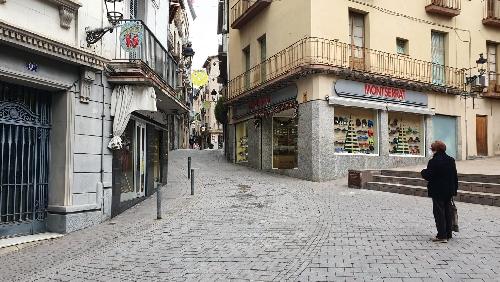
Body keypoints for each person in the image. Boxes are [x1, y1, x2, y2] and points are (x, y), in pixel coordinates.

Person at [421, 140, 458, 243]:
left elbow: (428, 175)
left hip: (437, 191)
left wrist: (422, 172)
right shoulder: (451, 160)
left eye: (432, 149)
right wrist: (454, 190)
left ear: (435, 150)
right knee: (447, 212)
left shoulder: (433, 161)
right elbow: (455, 176)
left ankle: (442, 235)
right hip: (449, 191)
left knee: (439, 213)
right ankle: (448, 233)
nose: (431, 150)